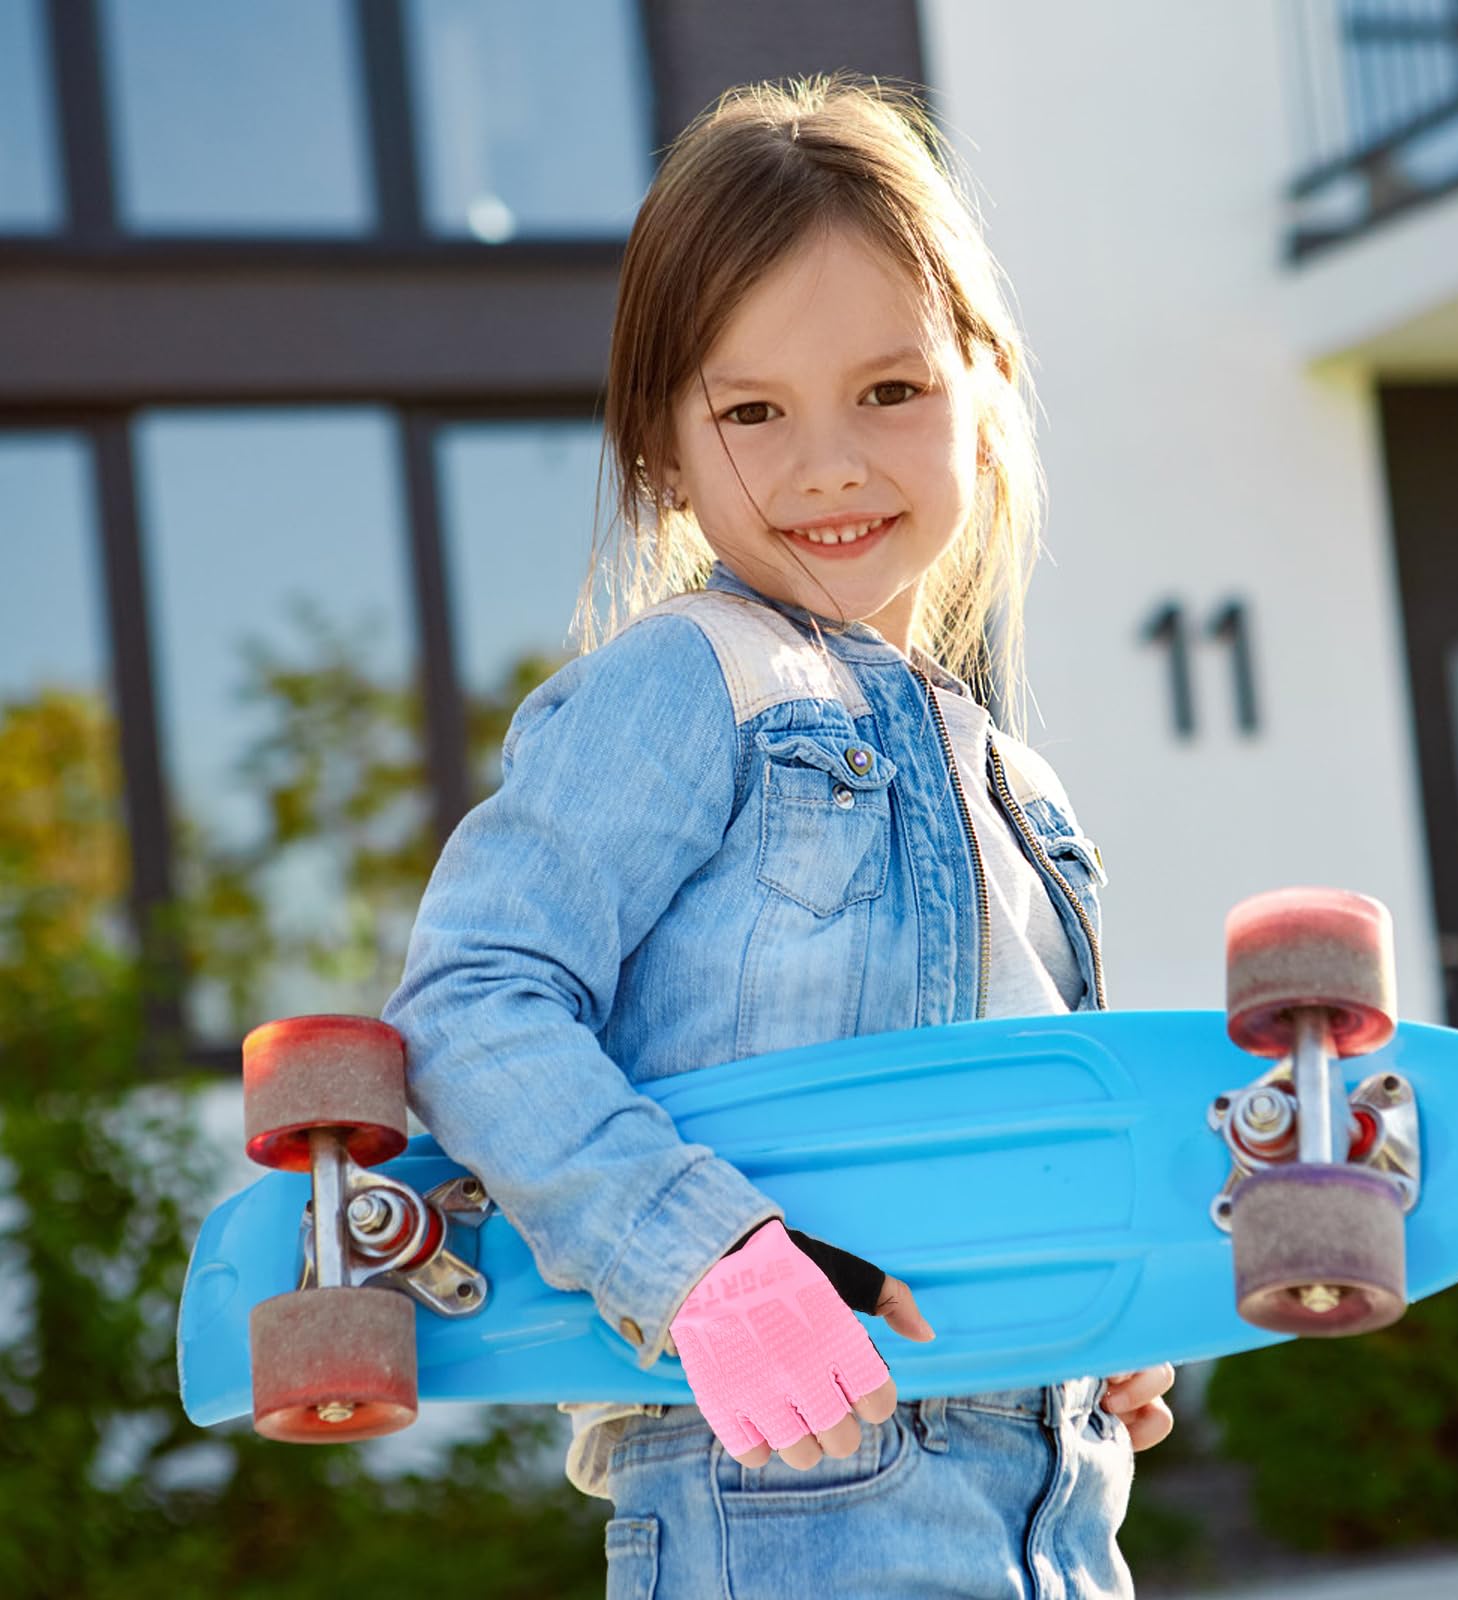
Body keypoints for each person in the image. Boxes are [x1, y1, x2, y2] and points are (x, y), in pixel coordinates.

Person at [382, 74, 1174, 1599]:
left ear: (985, 390)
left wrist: (1106, 1324)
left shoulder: (1021, 789)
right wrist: (698, 1263)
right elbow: (473, 1002)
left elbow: (1023, 1129)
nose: (829, 465)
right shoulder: (686, 688)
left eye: (892, 391)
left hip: (1058, 1512)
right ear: (663, 452)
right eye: (753, 411)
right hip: (784, 1493)